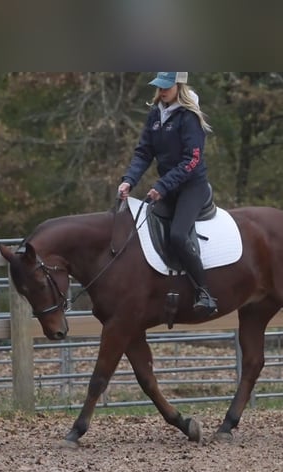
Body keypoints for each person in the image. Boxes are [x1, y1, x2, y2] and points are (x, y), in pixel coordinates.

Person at [118, 72, 218, 317]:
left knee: (177, 235)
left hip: (191, 187)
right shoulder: (155, 114)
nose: (162, 91)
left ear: (178, 86)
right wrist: (129, 180)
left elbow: (192, 160)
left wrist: (162, 186)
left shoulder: (189, 117)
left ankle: (204, 293)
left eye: (167, 87)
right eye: (159, 87)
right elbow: (143, 153)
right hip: (168, 188)